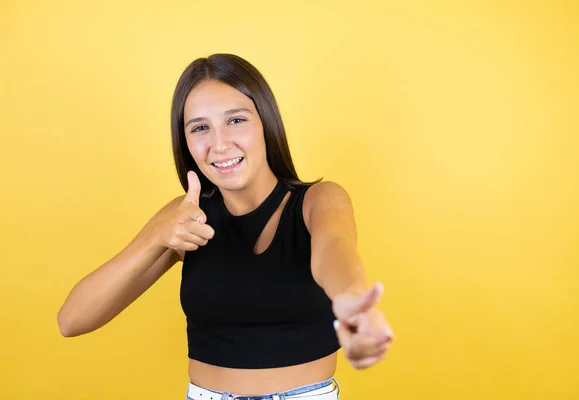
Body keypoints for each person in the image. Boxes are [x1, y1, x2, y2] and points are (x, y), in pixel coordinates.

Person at [57, 53, 393, 400]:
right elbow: (72, 321)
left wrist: (352, 301)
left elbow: (334, 251)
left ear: (266, 121)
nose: (219, 144)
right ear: (185, 141)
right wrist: (155, 238)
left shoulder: (318, 201)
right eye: (200, 127)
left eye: (236, 120)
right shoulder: (185, 217)